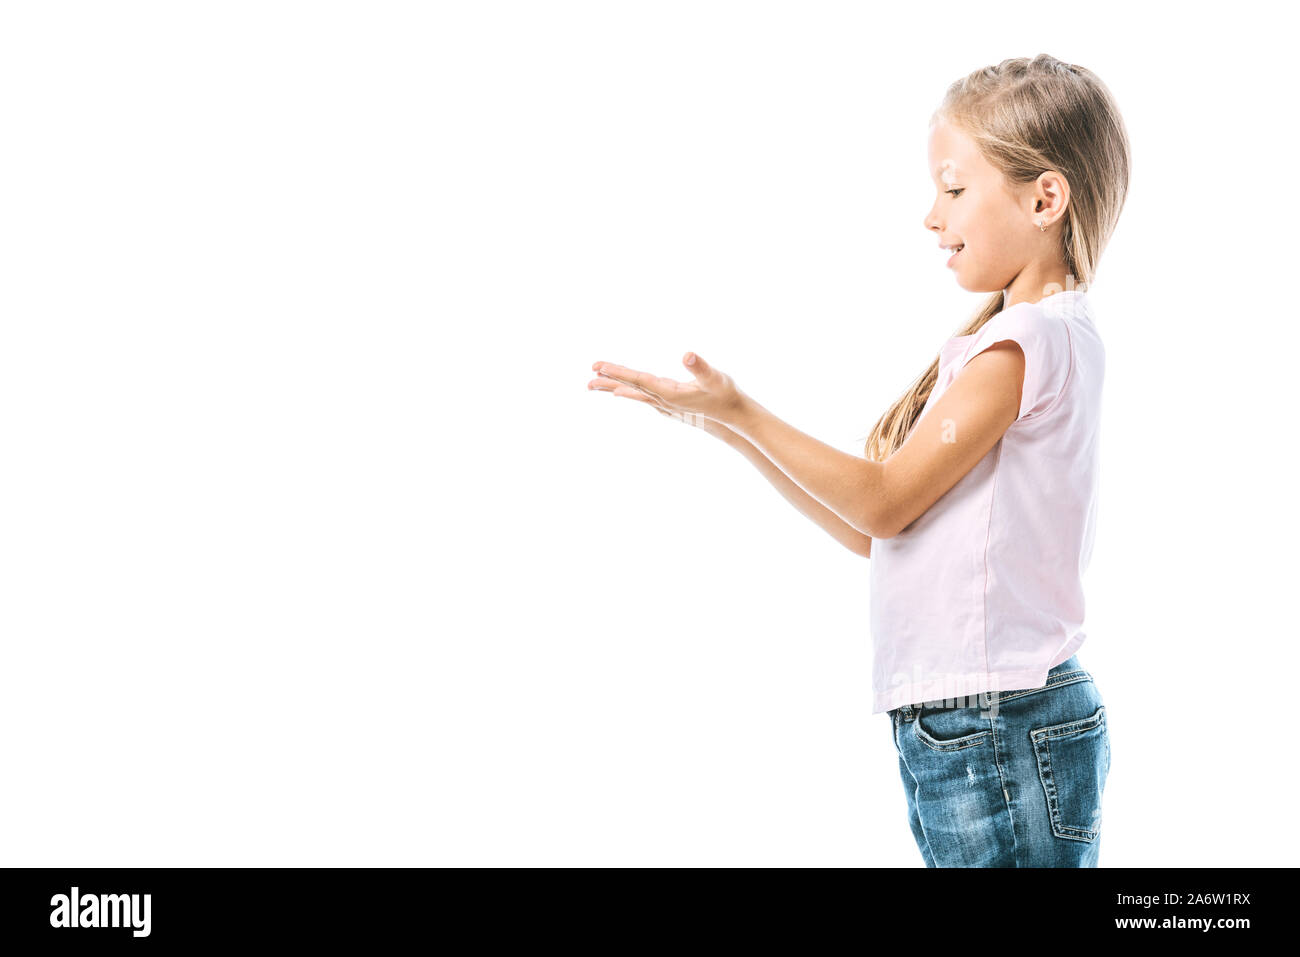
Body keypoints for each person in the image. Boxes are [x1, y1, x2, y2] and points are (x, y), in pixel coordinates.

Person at [585, 54, 1129, 867]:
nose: (929, 215)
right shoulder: (1024, 342)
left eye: (953, 188)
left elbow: (881, 504)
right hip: (974, 722)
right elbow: (878, 533)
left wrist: (742, 408)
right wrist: (725, 430)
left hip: (994, 723)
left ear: (1045, 198)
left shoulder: (1027, 343)